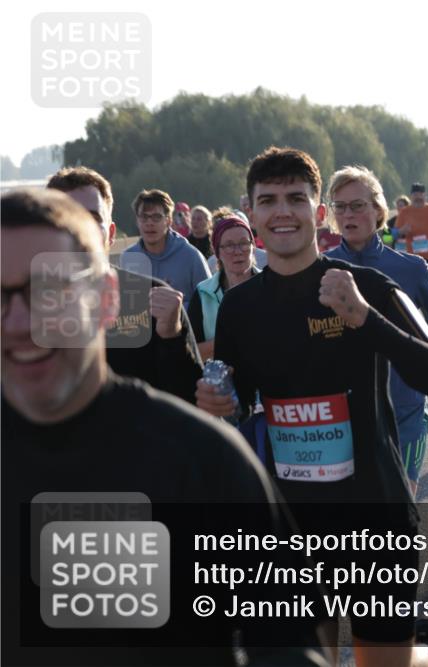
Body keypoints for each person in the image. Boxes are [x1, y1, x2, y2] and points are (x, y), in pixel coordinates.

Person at [1, 188, 332, 666]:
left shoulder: (199, 457)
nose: (18, 322)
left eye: (46, 290)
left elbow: (287, 640)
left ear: (107, 300)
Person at [195, 147, 428, 667]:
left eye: (296, 198)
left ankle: (424, 655)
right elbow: (241, 403)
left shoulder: (369, 286)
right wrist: (220, 401)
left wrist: (362, 317)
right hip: (289, 524)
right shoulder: (241, 306)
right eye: (268, 200)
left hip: (374, 517)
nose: (281, 211)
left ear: (318, 214)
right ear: (252, 212)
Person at [326, 166, 428, 495]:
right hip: (345, 413)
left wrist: (420, 347)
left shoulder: (410, 267)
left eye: (357, 205)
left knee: (402, 502)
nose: (348, 214)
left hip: (405, 409)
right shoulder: (321, 269)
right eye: (340, 207)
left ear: (377, 210)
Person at [47, 166, 203, 404]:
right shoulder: (17, 310)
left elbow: (192, 404)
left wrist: (172, 339)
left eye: (91, 217)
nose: (78, 229)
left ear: (110, 233)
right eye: (64, 216)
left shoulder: (155, 300)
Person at [120, 189, 211, 307]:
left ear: (168, 221)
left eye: (156, 217)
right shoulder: (128, 258)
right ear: (137, 221)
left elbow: (209, 303)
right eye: (144, 217)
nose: (149, 223)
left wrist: (177, 310)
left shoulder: (191, 257)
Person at [187, 216, 260, 361]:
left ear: (253, 247)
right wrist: (232, 338)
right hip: (219, 381)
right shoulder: (203, 293)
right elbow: (191, 350)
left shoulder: (270, 285)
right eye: (229, 245)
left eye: (244, 243)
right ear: (216, 252)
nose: (237, 251)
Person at [397, 183, 428, 276]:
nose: (418, 197)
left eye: (421, 194)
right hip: (413, 258)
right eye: (415, 195)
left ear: (426, 196)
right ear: (411, 196)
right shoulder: (404, 212)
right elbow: (393, 233)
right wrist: (401, 231)